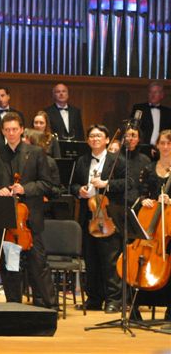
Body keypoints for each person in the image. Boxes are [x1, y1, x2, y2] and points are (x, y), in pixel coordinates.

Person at [0, 112, 56, 309]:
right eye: (7, 130)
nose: (11, 133)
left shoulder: (36, 152)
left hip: (30, 218)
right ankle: (14, 305)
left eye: (15, 129)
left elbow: (47, 184)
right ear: (3, 132)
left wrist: (26, 188)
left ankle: (46, 305)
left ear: (22, 129)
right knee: (10, 265)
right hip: (7, 219)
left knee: (37, 264)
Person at [69, 124, 128, 313]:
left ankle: (114, 300)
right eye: (91, 136)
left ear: (106, 139)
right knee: (91, 258)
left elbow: (129, 183)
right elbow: (72, 185)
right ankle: (94, 299)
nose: (95, 139)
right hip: (88, 215)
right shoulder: (82, 161)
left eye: (98, 136)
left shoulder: (117, 160)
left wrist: (106, 184)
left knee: (109, 260)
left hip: (108, 216)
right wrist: (79, 190)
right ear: (87, 140)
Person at [131, 129, 171, 324]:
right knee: (137, 261)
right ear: (157, 145)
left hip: (168, 229)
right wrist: (145, 201)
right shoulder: (148, 168)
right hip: (150, 225)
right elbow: (141, 194)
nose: (165, 147)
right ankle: (134, 308)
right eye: (162, 143)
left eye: (169, 144)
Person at [130, 81, 171, 147]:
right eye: (150, 92)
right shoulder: (139, 109)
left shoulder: (168, 112)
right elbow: (133, 128)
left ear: (162, 95)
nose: (152, 95)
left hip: (162, 148)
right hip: (143, 148)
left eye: (155, 92)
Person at [120, 127, 151, 207]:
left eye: (134, 136)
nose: (130, 139)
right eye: (128, 135)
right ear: (123, 138)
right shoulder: (115, 158)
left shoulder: (145, 160)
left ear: (139, 139)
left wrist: (142, 199)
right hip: (118, 202)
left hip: (139, 203)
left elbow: (147, 184)